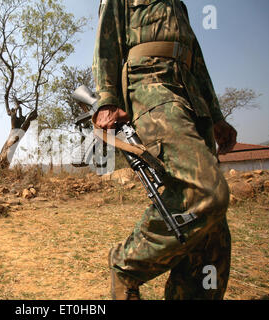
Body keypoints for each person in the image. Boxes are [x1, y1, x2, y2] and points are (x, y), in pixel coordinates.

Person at [92, 0, 237, 300]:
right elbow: (106, 42)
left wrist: (217, 114)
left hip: (192, 99)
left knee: (211, 233)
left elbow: (197, 61)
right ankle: (127, 263)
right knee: (206, 191)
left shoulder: (179, 6)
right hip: (151, 87)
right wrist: (106, 98)